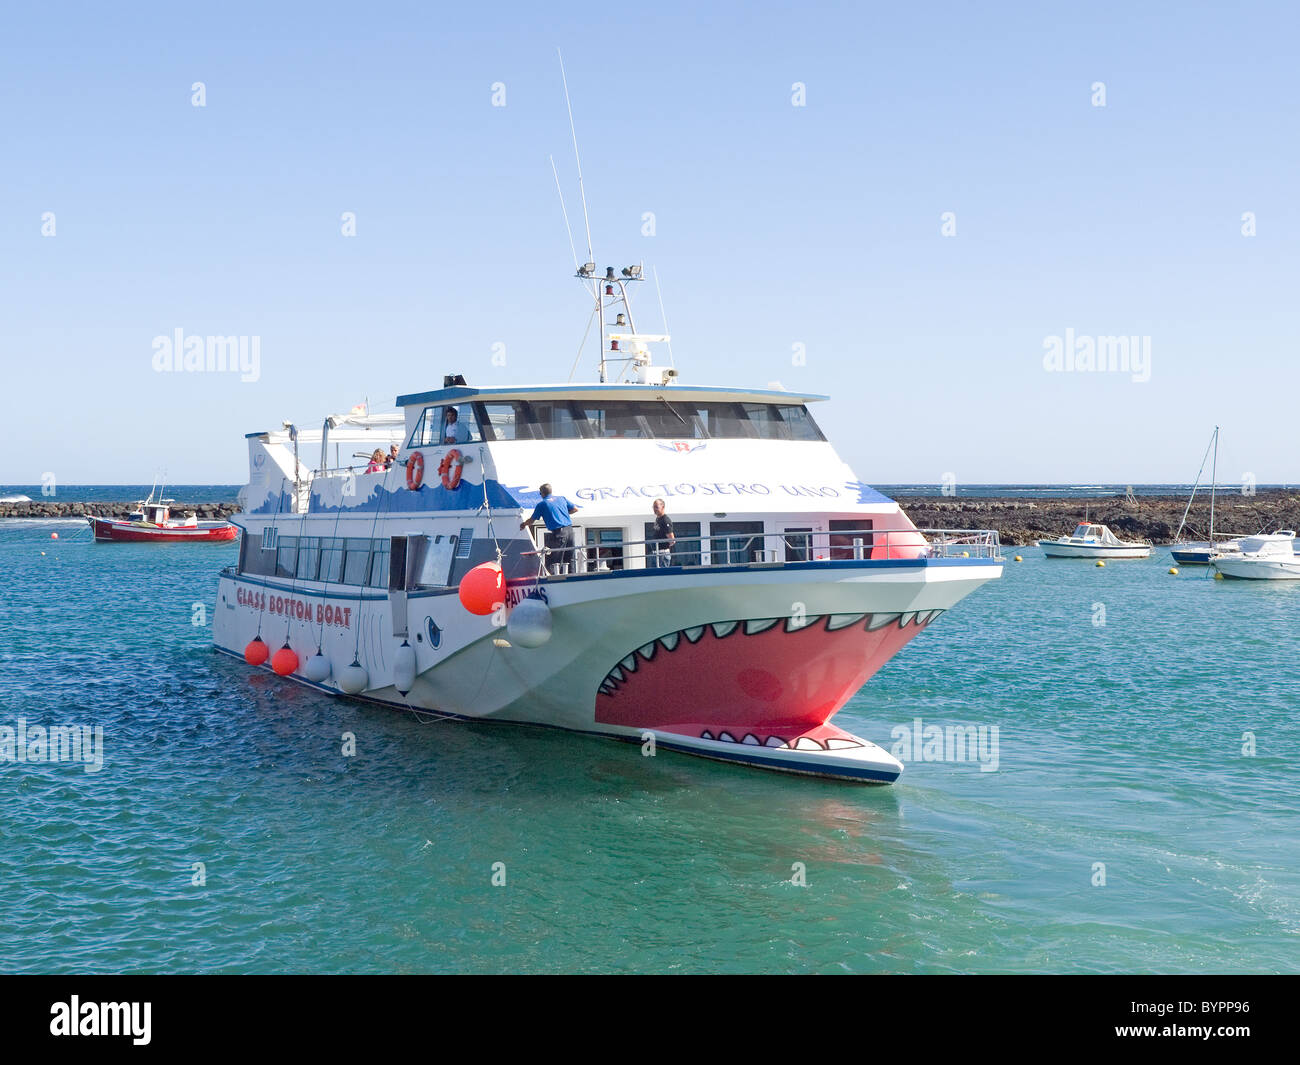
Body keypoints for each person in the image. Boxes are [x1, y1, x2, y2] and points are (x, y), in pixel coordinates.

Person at [520, 483, 580, 573]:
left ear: (542, 493)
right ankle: (572, 576)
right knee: (570, 557)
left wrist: (523, 524)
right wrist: (564, 514)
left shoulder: (542, 504)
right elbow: (575, 509)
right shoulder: (562, 498)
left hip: (559, 532)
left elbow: (532, 520)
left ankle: (555, 578)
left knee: (555, 559)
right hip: (570, 530)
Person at [650, 498, 675, 567]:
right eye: (653, 507)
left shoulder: (665, 520)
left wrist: (664, 549)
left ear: (663, 507)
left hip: (662, 554)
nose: (654, 509)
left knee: (661, 575)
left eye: (656, 507)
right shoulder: (658, 518)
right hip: (656, 553)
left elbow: (672, 540)